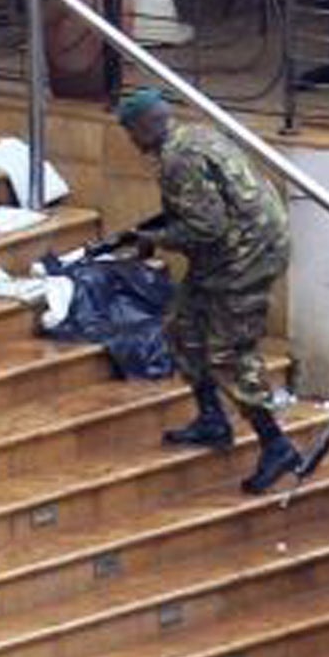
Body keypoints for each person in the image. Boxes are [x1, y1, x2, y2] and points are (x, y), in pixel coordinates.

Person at [115, 88, 301, 495]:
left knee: (227, 353)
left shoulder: (177, 160)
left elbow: (205, 228)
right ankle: (212, 418)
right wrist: (146, 233)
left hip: (244, 256)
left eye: (130, 130)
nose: (131, 141)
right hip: (238, 247)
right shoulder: (196, 136)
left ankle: (276, 443)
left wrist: (158, 238)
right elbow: (199, 209)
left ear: (144, 127)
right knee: (182, 326)